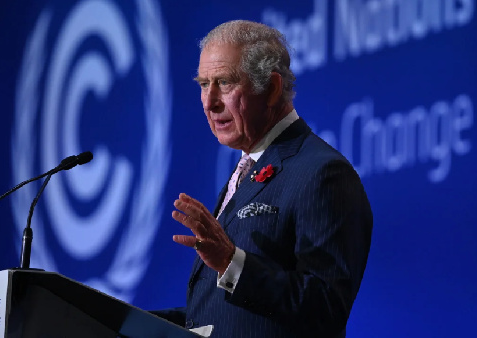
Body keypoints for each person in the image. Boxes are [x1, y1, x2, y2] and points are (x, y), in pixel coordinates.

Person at [154, 20, 372, 337]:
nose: (209, 102)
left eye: (224, 83)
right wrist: (118, 319)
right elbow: (232, 315)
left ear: (270, 89)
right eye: (204, 84)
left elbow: (326, 307)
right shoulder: (247, 168)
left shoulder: (322, 173)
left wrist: (231, 262)